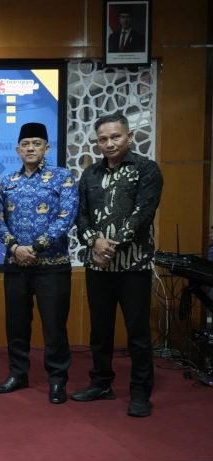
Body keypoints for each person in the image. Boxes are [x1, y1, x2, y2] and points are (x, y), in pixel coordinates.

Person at [72, 113, 163, 417]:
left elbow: (142, 215)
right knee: (100, 331)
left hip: (133, 266)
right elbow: (81, 215)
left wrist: (110, 246)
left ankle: (140, 392)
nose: (109, 143)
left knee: (137, 332)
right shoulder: (90, 174)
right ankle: (101, 383)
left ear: (129, 137)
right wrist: (93, 243)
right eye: (102, 139)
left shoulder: (146, 170)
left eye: (115, 137)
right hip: (97, 266)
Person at [0, 123, 79, 404]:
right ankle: (18, 374)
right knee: (17, 325)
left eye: (37, 143)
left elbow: (66, 217)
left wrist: (36, 246)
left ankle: (57, 380)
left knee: (54, 326)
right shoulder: (7, 181)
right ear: (18, 149)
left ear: (47, 148)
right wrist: (16, 247)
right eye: (26, 143)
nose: (30, 148)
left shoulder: (62, 178)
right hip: (16, 264)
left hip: (52, 265)